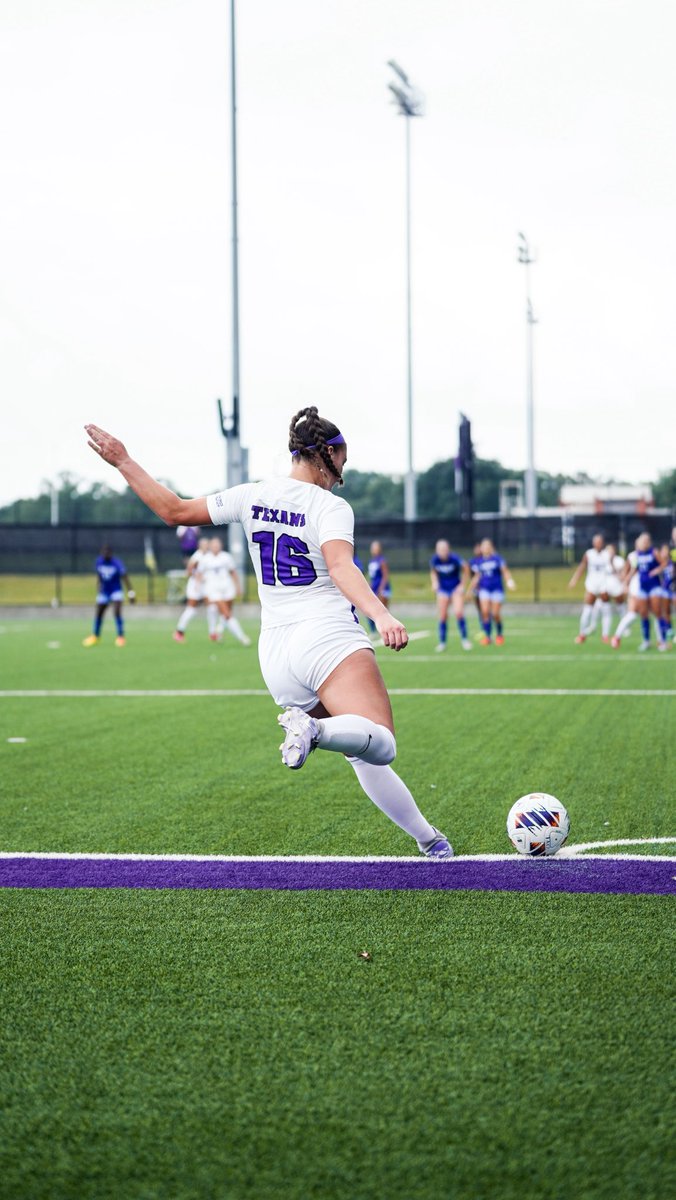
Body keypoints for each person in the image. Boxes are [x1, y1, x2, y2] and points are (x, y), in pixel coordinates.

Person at [84, 408, 453, 858]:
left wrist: (123, 460)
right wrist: (381, 616)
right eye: (343, 461)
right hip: (325, 636)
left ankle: (428, 839)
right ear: (325, 455)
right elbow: (340, 566)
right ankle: (314, 732)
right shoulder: (330, 507)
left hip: (275, 653)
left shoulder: (252, 495)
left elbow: (172, 510)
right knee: (382, 744)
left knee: (356, 744)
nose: (342, 475)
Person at [611, 533, 667, 651]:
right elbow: (632, 570)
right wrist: (625, 582)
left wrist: (656, 571)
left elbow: (663, 564)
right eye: (641, 542)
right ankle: (646, 641)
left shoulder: (653, 552)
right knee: (643, 614)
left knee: (657, 612)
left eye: (645, 541)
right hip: (642, 589)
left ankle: (662, 641)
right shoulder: (635, 556)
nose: (642, 544)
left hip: (654, 586)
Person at [201, 536, 251, 645]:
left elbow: (233, 572)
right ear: (210, 547)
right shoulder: (205, 559)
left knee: (226, 613)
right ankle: (242, 637)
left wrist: (238, 586)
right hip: (214, 590)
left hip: (227, 588)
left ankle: (216, 632)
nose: (215, 547)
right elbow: (199, 574)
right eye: (213, 545)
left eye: (217, 545)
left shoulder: (226, 557)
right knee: (227, 614)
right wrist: (201, 587)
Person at [83, 544, 135, 647]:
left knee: (117, 612)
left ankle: (120, 637)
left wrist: (131, 593)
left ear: (111, 553)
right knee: (99, 612)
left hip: (116, 590)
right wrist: (98, 585)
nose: (105, 554)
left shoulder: (116, 563)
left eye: (107, 552)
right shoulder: (99, 561)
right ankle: (95, 636)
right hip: (104, 591)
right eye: (103, 552)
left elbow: (125, 577)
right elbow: (99, 575)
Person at [467, 538, 516, 645]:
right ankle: (488, 637)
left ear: (491, 547)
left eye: (487, 546)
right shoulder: (479, 561)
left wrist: (509, 581)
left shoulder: (497, 559)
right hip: (484, 589)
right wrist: (469, 590)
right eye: (483, 546)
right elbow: (476, 577)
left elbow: (505, 571)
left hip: (497, 589)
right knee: (484, 612)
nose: (486, 548)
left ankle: (499, 634)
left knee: (495, 614)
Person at [429, 539, 472, 651]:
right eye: (440, 549)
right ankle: (442, 642)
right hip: (443, 590)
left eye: (444, 549)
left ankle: (465, 639)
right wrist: (435, 582)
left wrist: (462, 585)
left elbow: (466, 569)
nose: (442, 551)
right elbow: (433, 572)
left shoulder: (455, 558)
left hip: (455, 589)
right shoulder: (435, 560)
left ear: (448, 549)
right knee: (442, 616)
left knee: (459, 613)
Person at [568, 534, 611, 643]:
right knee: (587, 610)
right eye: (596, 542)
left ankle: (605, 635)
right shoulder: (589, 554)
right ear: (593, 543)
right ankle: (582, 634)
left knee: (606, 610)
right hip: (592, 584)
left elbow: (613, 568)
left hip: (603, 584)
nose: (598, 544)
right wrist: (574, 579)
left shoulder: (607, 554)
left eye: (600, 542)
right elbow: (582, 567)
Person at [173, 536, 210, 642]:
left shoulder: (208, 556)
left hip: (206, 585)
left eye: (207, 545)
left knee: (212, 607)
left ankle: (214, 632)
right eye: (204, 545)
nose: (206, 546)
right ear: (200, 546)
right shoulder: (196, 557)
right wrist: (197, 576)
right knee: (191, 609)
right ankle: (179, 631)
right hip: (195, 585)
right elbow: (188, 572)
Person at [365, 541, 391, 634]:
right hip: (374, 588)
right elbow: (372, 576)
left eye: (375, 547)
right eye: (372, 547)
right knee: (370, 609)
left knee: (383, 610)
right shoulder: (372, 561)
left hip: (382, 589)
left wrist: (382, 588)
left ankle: (386, 630)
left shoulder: (382, 561)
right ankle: (373, 630)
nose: (373, 549)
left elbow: (385, 575)